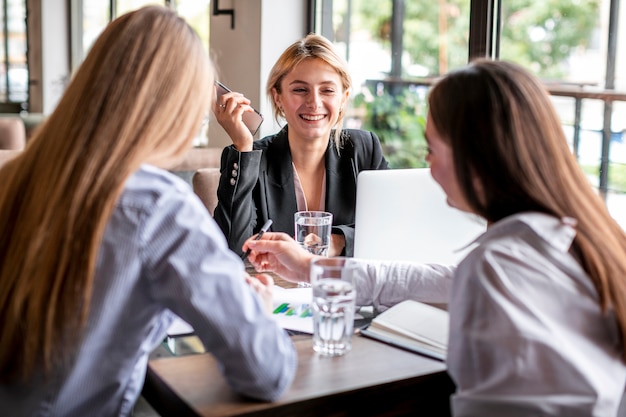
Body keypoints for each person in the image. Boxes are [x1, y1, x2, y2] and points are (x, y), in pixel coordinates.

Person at [242, 59, 626, 416]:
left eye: (431, 148)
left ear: (473, 156)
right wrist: (312, 267)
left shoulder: (498, 267)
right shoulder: (570, 234)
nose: (427, 164)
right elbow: (435, 279)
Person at [0, 6, 295, 416]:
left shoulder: (12, 177)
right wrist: (260, 312)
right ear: (178, 108)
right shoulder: (156, 206)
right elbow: (267, 371)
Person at [213, 33, 388, 258]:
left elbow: (391, 229)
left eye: (327, 90)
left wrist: (337, 240)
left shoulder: (364, 150)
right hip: (276, 290)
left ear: (343, 97)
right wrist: (243, 145)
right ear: (278, 97)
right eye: (300, 90)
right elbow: (230, 251)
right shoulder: (252, 159)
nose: (314, 102)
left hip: (343, 289)